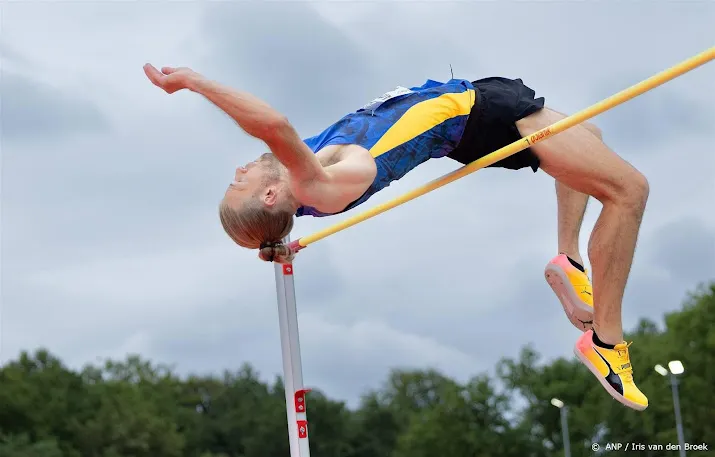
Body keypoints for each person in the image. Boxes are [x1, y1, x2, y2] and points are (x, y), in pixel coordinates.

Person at [144, 63, 650, 411]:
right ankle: (606, 341)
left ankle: (567, 260)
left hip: (473, 100)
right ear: (272, 195)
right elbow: (272, 124)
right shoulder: (316, 181)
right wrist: (194, 82)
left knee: (590, 139)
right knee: (628, 191)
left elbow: (270, 170)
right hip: (479, 117)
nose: (239, 169)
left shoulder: (300, 171)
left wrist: (271, 243)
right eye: (239, 183)